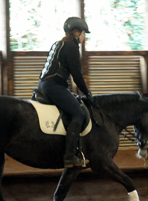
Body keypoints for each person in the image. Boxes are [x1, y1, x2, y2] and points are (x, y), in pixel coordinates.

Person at [38, 17, 93, 168]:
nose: (84, 37)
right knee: (78, 114)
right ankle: (69, 157)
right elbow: (77, 75)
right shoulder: (71, 47)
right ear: (76, 32)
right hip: (54, 86)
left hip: (43, 84)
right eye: (83, 34)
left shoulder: (58, 44)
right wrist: (87, 93)